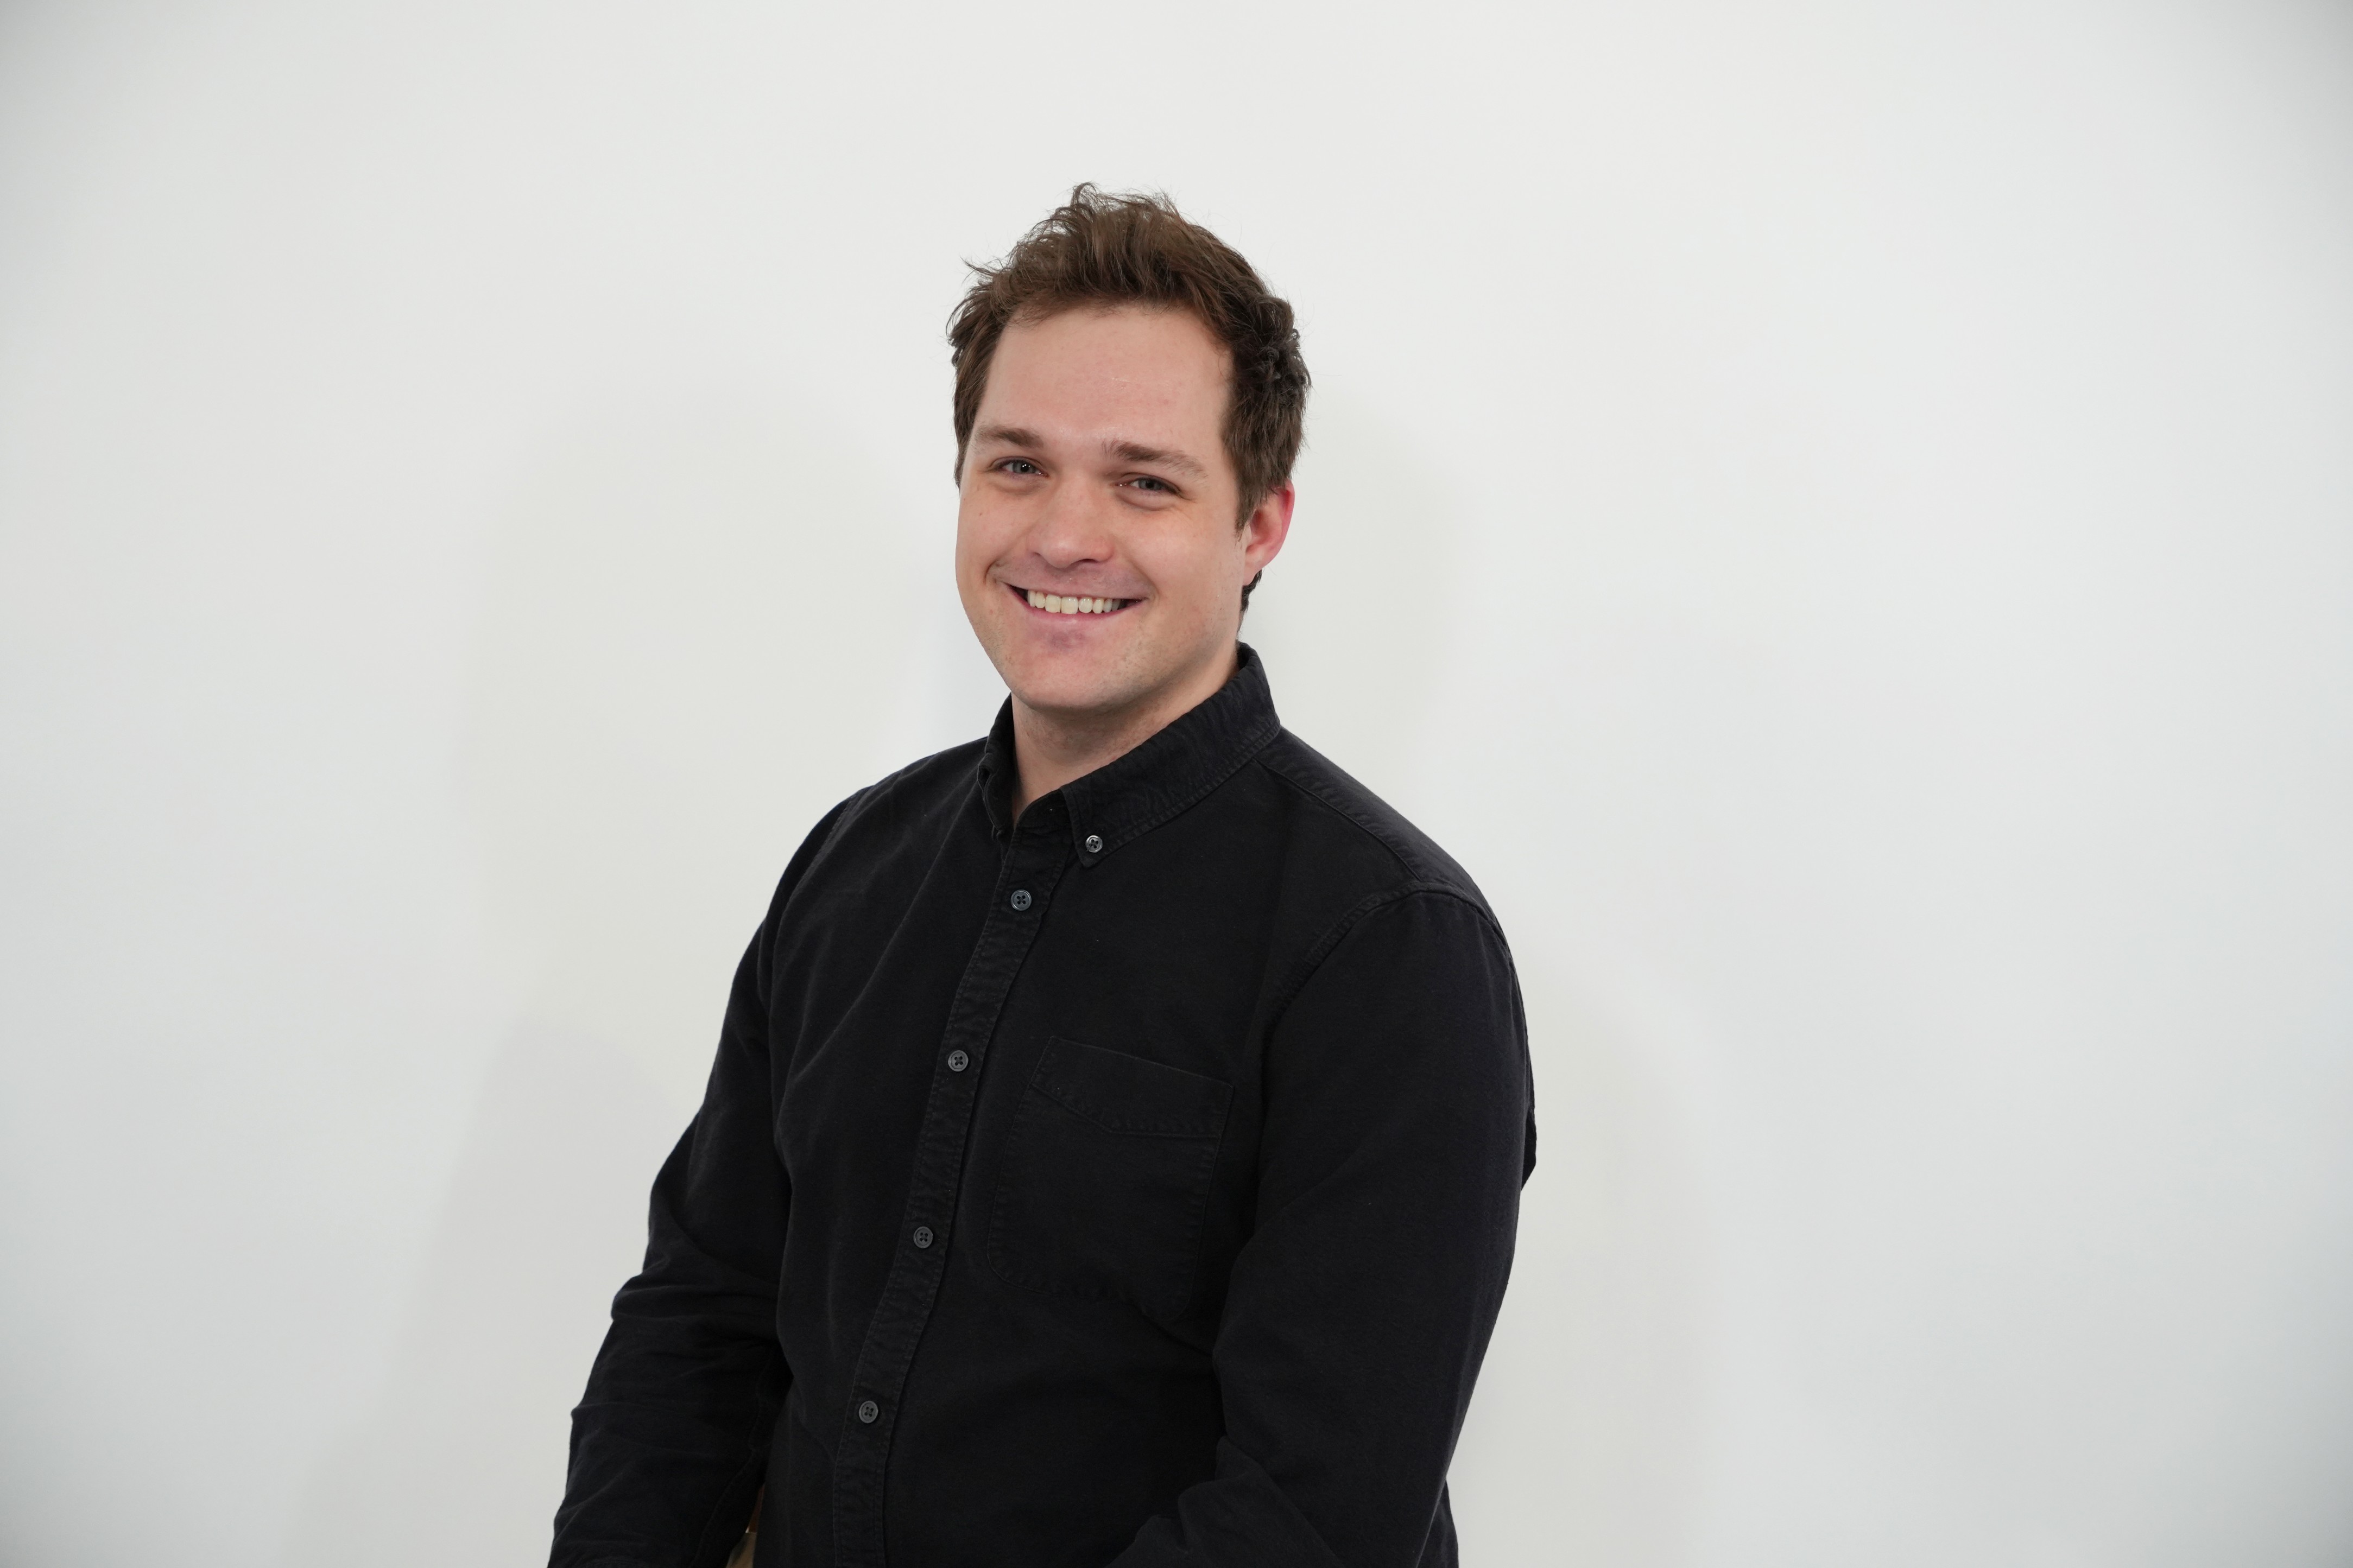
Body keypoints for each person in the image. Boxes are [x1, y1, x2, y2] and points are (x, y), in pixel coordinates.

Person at [550, 186, 1535, 1568]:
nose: (1064, 534)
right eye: (1017, 465)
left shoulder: (1388, 945)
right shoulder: (850, 868)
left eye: (1145, 479)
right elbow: (700, 1323)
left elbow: (1312, 1508)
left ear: (1259, 525)